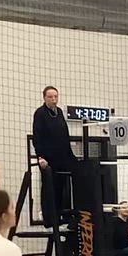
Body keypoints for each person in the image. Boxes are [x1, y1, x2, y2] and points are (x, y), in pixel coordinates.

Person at [32, 86, 78, 220]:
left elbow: (65, 136)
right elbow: (37, 137)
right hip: (48, 159)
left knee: (62, 186)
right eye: (50, 97)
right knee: (49, 187)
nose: (53, 99)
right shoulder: (40, 113)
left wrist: (71, 157)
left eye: (55, 97)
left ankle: (63, 215)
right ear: (44, 98)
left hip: (62, 158)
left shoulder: (59, 112)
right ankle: (49, 217)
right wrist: (40, 157)